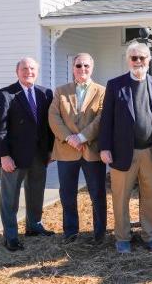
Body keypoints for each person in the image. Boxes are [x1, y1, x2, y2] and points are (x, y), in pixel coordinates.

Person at [99, 42, 152, 254]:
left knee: (150, 197)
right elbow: (106, 120)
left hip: (151, 151)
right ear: (127, 60)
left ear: (149, 60)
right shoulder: (115, 85)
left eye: (142, 57)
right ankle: (122, 238)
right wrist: (104, 147)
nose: (138, 61)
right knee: (120, 197)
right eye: (134, 58)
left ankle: (150, 236)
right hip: (122, 153)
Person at [0, 57, 54, 251]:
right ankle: (10, 236)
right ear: (17, 71)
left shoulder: (45, 93)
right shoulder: (6, 94)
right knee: (10, 198)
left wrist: (50, 150)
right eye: (24, 68)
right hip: (14, 156)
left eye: (32, 68)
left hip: (39, 154)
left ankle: (34, 225)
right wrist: (4, 155)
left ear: (37, 71)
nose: (29, 72)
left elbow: (48, 126)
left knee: (36, 192)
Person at [48, 53, 107, 245]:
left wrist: (82, 137)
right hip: (66, 150)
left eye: (86, 66)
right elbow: (54, 117)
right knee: (67, 194)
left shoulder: (102, 91)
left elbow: (101, 118)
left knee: (97, 193)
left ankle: (99, 234)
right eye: (79, 66)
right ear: (73, 68)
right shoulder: (60, 91)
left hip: (91, 150)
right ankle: (70, 232)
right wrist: (69, 138)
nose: (82, 69)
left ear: (92, 67)